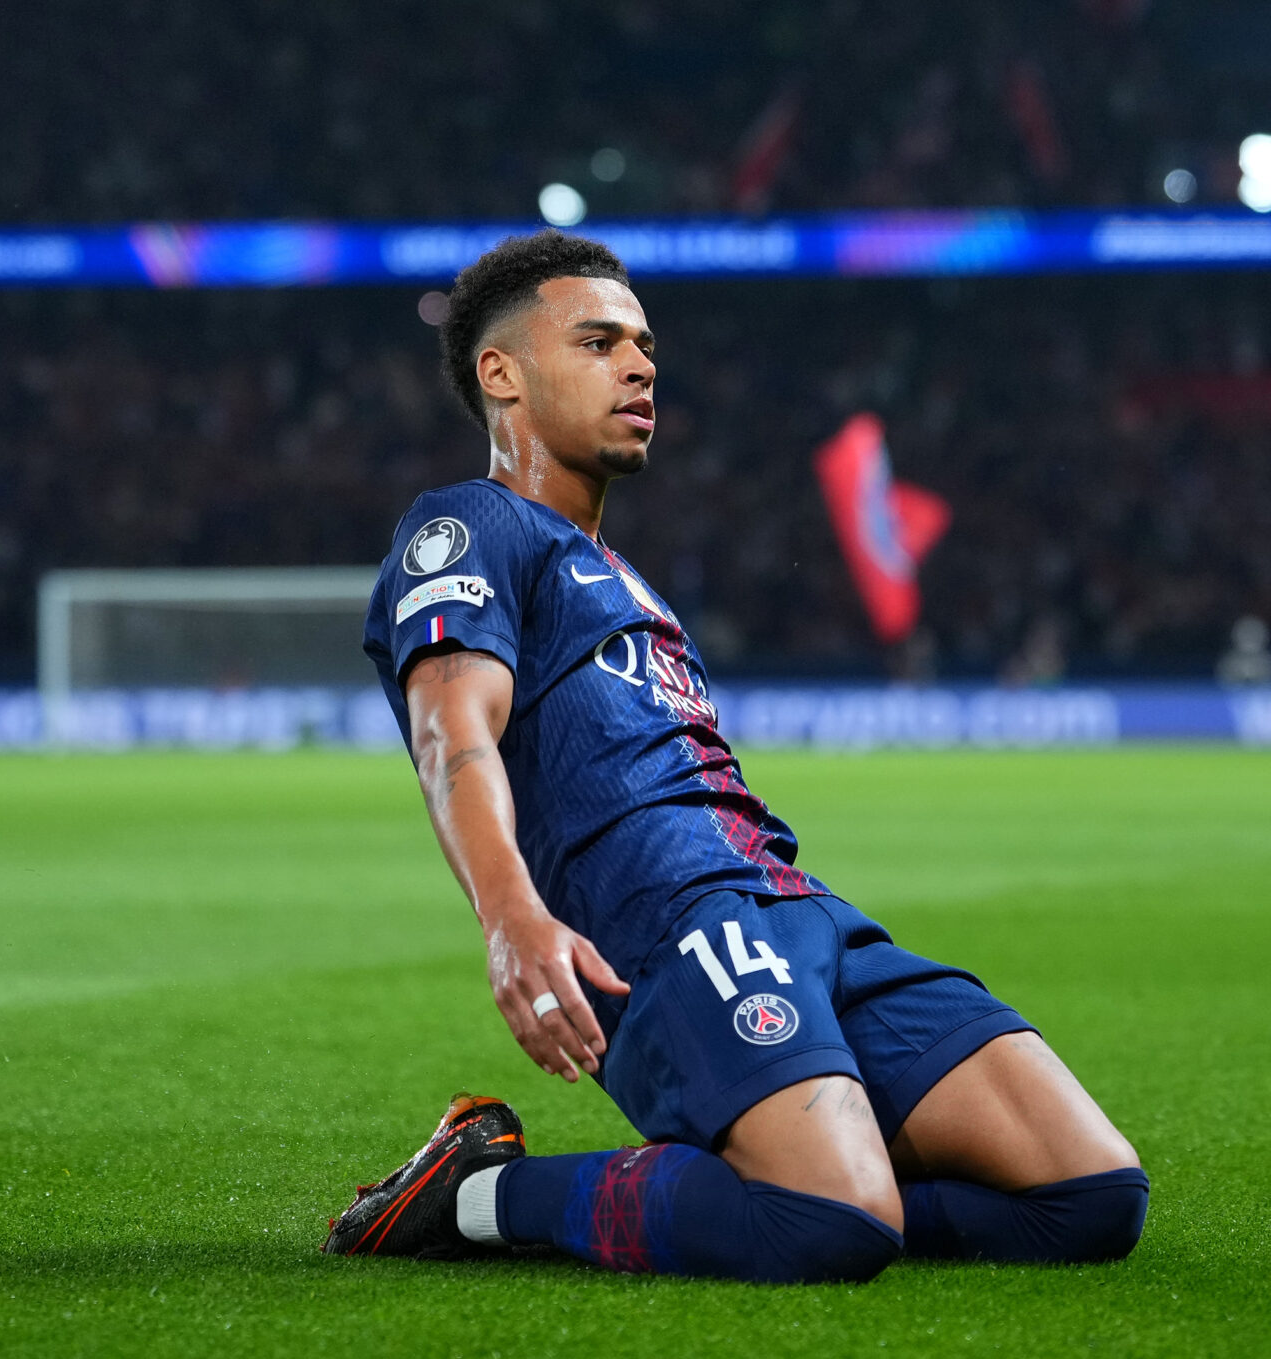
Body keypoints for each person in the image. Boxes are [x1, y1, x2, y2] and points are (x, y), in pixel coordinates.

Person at [324, 231, 1146, 1283]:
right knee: (826, 1226)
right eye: (597, 341)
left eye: (645, 346)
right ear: (501, 374)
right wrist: (510, 915)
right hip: (676, 928)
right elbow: (452, 735)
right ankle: (476, 1193)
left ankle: (802, 1175)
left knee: (1087, 1196)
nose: (639, 365)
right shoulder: (469, 526)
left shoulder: (630, 585)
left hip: (806, 916)